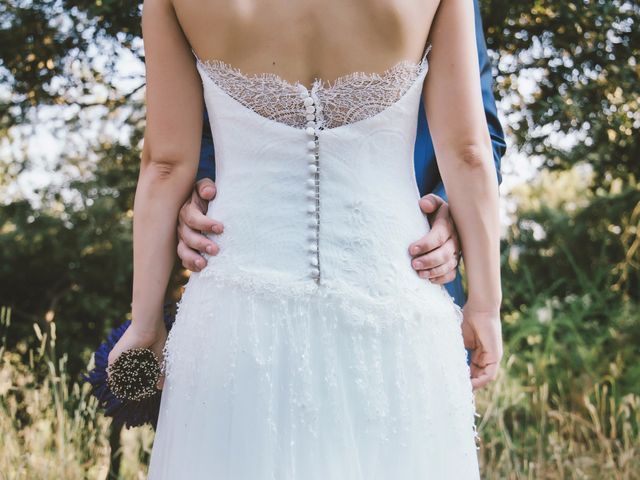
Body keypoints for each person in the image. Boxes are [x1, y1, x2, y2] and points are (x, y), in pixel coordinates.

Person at [109, 0, 504, 477]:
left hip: (234, 315)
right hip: (395, 299)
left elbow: (165, 164)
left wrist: (145, 324)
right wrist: (484, 305)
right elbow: (468, 153)